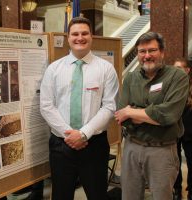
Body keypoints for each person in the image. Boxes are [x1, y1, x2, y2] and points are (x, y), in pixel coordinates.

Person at [40, 17, 119, 200]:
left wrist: (83, 134)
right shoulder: (54, 69)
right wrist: (70, 135)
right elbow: (46, 105)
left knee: (97, 194)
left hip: (94, 145)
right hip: (61, 145)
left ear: (92, 36)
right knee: (61, 195)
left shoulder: (106, 69)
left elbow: (109, 106)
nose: (80, 38)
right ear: (68, 37)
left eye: (84, 33)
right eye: (75, 34)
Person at [114, 32, 189, 200]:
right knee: (129, 196)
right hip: (131, 148)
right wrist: (147, 114)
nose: (147, 56)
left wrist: (131, 111)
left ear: (162, 52)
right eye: (142, 51)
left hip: (162, 151)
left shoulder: (177, 77)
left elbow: (169, 114)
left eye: (152, 50)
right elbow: (120, 115)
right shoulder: (131, 78)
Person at [173, 58, 192, 200]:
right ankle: (177, 190)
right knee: (176, 163)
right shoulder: (171, 86)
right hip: (174, 131)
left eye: (179, 68)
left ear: (187, 70)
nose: (176, 71)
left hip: (191, 132)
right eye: (175, 68)